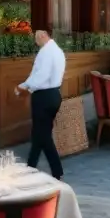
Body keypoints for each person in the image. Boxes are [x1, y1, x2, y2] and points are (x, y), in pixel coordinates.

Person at [15, 27, 66, 180]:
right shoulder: (58, 51)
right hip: (54, 94)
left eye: (37, 39)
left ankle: (56, 172)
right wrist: (27, 86)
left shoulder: (46, 52)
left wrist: (23, 87)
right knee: (39, 134)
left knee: (42, 135)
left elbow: (41, 76)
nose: (36, 43)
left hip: (43, 96)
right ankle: (31, 167)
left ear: (43, 35)